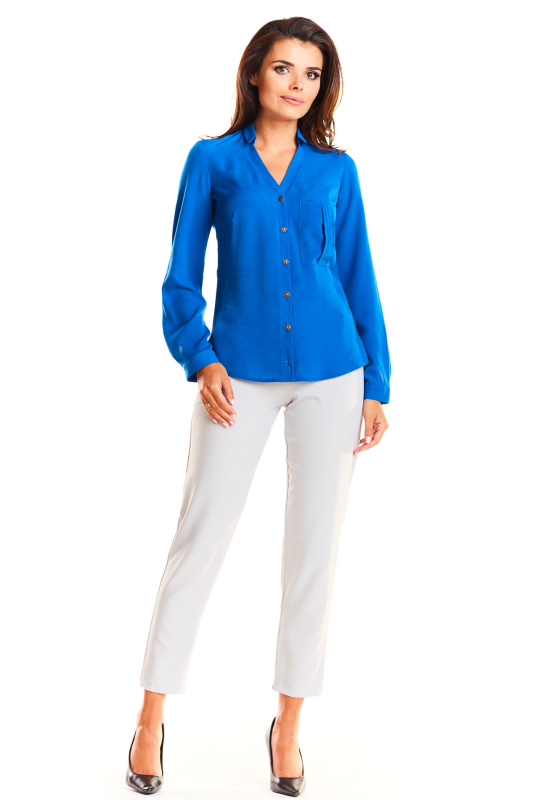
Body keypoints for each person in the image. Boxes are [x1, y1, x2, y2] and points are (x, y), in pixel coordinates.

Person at [125, 16, 391, 797]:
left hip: (332, 373)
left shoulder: (336, 171)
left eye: (311, 73)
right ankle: (149, 717)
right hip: (235, 374)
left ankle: (288, 728)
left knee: (313, 554)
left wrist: (377, 384)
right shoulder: (211, 161)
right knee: (199, 536)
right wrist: (199, 356)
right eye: (283, 68)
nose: (297, 85)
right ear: (254, 74)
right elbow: (180, 277)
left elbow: (357, 275)